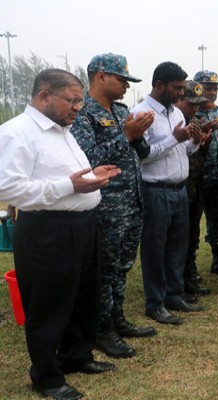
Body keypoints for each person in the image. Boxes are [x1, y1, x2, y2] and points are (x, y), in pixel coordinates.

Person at [0, 69, 120, 400]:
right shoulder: (17, 133)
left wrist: (92, 177)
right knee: (48, 305)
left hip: (81, 225)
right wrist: (71, 185)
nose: (78, 108)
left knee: (83, 295)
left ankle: (76, 356)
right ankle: (47, 377)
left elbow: (68, 176)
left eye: (80, 101)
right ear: (44, 97)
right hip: (46, 230)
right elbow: (9, 186)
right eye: (73, 100)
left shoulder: (62, 131)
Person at [70, 53, 157, 360]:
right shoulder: (83, 115)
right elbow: (88, 159)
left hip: (131, 202)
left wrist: (138, 135)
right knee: (104, 268)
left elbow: (141, 153)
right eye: (122, 80)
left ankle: (117, 316)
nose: (125, 86)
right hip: (105, 206)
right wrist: (127, 135)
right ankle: (101, 327)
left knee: (122, 265)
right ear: (101, 76)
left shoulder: (122, 111)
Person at [131, 62, 206, 325]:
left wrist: (194, 142)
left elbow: (181, 152)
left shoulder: (175, 113)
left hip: (179, 189)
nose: (179, 93)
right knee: (155, 249)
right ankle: (155, 303)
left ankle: (175, 295)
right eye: (176, 88)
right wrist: (175, 138)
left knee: (177, 246)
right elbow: (143, 157)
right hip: (155, 190)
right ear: (159, 84)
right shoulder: (141, 114)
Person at [177, 80, 214, 299]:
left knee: (193, 234)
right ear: (179, 99)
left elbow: (199, 154)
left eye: (198, 104)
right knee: (179, 237)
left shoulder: (197, 121)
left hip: (197, 184)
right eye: (191, 104)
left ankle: (189, 274)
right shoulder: (174, 122)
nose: (195, 108)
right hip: (180, 186)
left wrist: (204, 141)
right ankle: (177, 279)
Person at [193, 70, 218, 277]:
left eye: (215, 88)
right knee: (192, 223)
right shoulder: (189, 112)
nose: (212, 91)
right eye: (207, 87)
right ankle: (191, 266)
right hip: (197, 178)